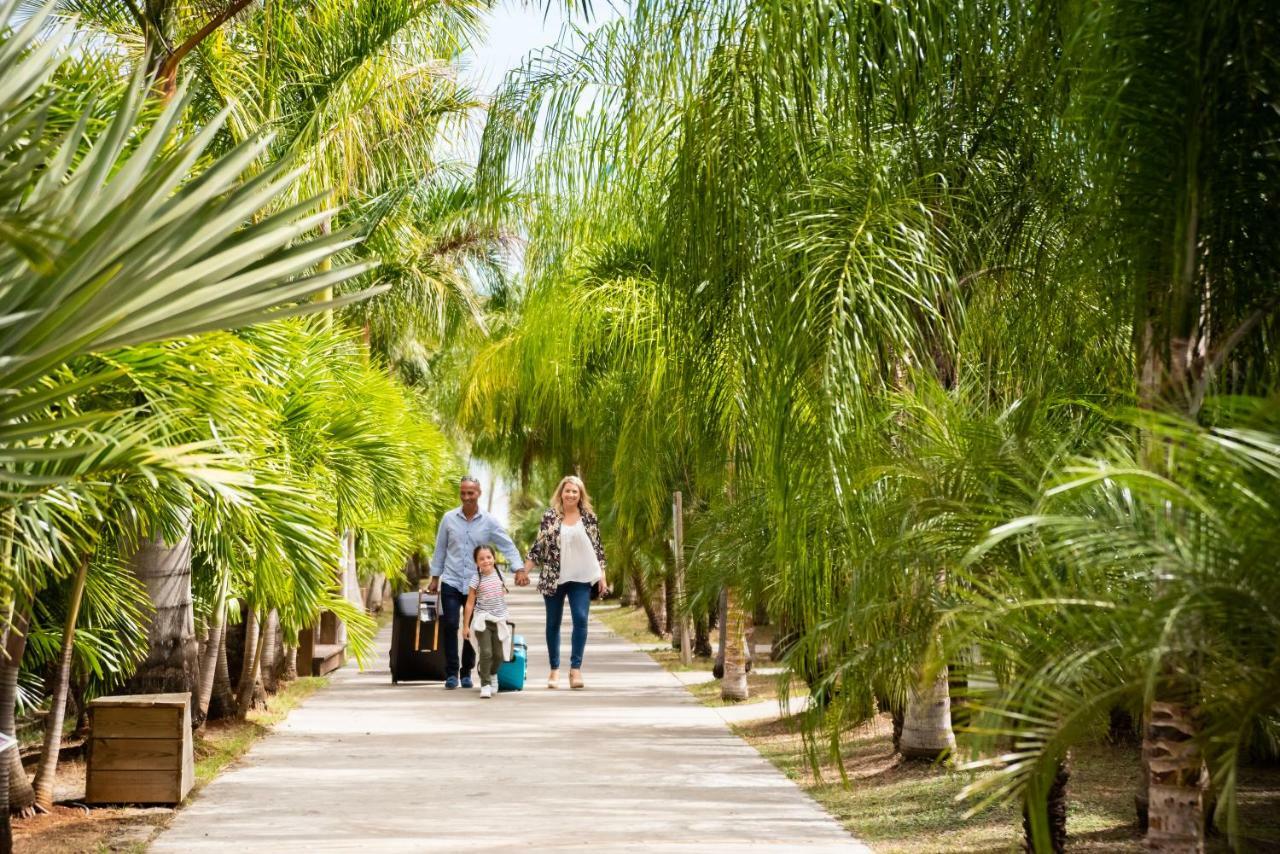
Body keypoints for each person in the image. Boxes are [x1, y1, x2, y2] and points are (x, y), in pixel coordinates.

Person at [429, 476, 527, 689]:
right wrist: (435, 577)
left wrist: (519, 568)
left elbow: (506, 544)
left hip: (476, 584)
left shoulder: (489, 521)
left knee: (474, 627)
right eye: (463, 493)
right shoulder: (448, 519)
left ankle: (466, 673)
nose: (466, 497)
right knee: (451, 625)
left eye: (470, 493)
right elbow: (440, 550)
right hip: (452, 581)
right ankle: (451, 673)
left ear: (478, 493)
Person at [523, 475, 608, 690]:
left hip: (581, 577)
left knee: (581, 619)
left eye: (575, 491)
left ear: (580, 495)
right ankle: (554, 669)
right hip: (554, 577)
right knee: (553, 622)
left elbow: (598, 549)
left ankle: (575, 669)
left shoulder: (589, 517)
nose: (570, 494)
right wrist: (523, 571)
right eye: (567, 490)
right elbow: (539, 547)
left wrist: (602, 577)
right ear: (561, 492)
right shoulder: (550, 517)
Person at [462, 545, 510, 699]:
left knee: (499, 655)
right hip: (482, 620)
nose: (486, 561)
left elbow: (501, 595)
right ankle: (485, 684)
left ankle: (493, 674)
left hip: (499, 621)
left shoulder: (500, 574)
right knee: (486, 653)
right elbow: (469, 604)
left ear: (494, 558)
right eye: (481, 559)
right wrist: (465, 626)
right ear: (476, 562)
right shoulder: (476, 579)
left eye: (489, 557)